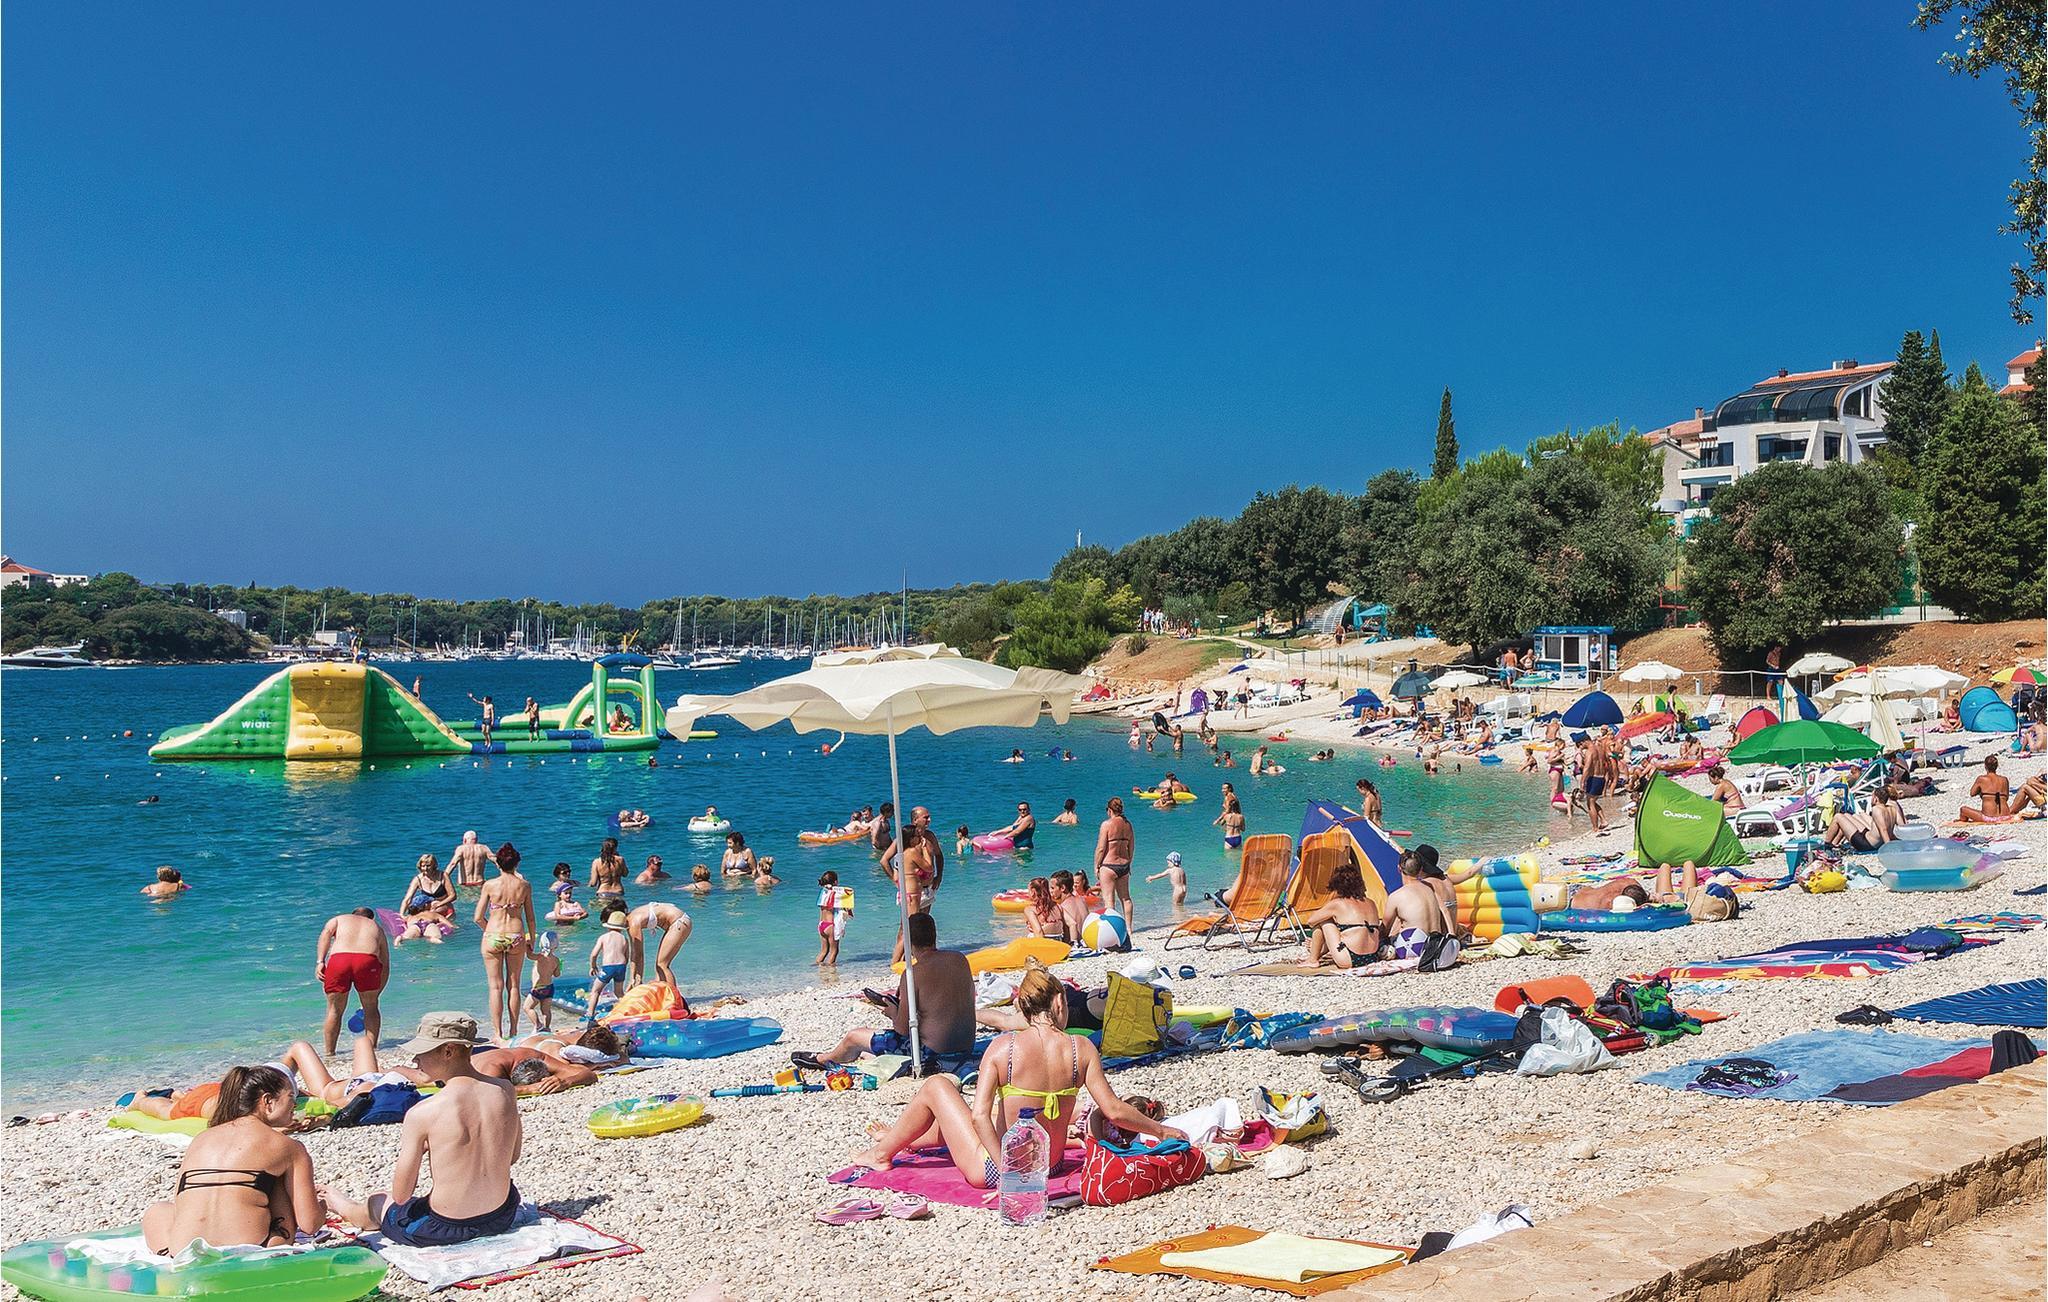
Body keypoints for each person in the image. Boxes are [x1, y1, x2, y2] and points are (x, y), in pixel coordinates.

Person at [845, 966, 1184, 1188]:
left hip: (999, 1170)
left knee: (937, 1086)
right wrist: (1160, 1130)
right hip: (1049, 1167)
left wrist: (1005, 1170)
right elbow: (1114, 1110)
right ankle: (898, 1139)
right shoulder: (1081, 1048)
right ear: (1059, 1002)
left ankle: (882, 1153)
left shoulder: (1002, 1048)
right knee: (966, 1116)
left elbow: (979, 1118)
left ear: (1024, 1007)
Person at [323, 1013, 524, 1248]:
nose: (415, 1059)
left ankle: (341, 1204)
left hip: (445, 1228)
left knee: (379, 1201)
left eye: (422, 1051)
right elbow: (513, 1156)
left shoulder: (423, 1113)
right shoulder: (505, 1089)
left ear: (448, 1051)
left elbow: (401, 1196)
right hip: (500, 1215)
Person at [141, 1065, 321, 1255]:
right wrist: (324, 1205)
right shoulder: (288, 1147)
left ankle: (168, 1252)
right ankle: (273, 1248)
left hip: (185, 1251)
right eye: (291, 1097)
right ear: (267, 1101)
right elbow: (310, 1224)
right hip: (249, 1248)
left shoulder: (201, 1139)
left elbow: (181, 1204)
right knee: (275, 1183)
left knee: (158, 1210)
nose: (295, 1105)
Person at [799, 912, 975, 1070]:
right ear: (934, 935)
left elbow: (903, 1029)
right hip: (966, 1047)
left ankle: (823, 1059)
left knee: (854, 1036)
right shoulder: (959, 959)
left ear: (907, 941)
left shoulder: (912, 974)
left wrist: (892, 1012)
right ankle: (860, 1055)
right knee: (867, 1048)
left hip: (932, 1054)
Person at [475, 844, 534, 1040]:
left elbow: (478, 917)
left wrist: (489, 931)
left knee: (495, 987)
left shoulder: (490, 885)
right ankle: (514, 1031)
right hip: (516, 936)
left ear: (498, 864)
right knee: (514, 986)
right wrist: (531, 940)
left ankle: (498, 1034)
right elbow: (530, 918)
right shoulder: (524, 885)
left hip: (493, 935)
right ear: (516, 864)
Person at [315, 907, 390, 1057]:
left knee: (334, 1010)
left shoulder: (338, 919)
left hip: (339, 960)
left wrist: (320, 961)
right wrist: (377, 993)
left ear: (352, 915)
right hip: (367, 960)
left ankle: (330, 1053)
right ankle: (371, 1050)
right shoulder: (376, 927)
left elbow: (326, 934)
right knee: (371, 1007)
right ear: (371, 918)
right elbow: (385, 964)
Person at [1300, 861, 1384, 968]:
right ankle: (1318, 952)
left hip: (1349, 958)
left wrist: (1318, 941)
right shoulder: (1371, 902)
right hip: (1372, 958)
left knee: (1324, 920)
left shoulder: (1338, 904)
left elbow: (1311, 921)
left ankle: (1313, 960)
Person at [1382, 851, 1454, 963]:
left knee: (1385, 942)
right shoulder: (1430, 887)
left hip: (1414, 947)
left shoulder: (1396, 896)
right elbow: (1444, 910)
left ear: (1399, 868)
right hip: (1435, 943)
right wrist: (1452, 936)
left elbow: (1385, 929)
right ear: (1421, 869)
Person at [472, 1043, 599, 1096]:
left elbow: (589, 1074)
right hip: (475, 1054)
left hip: (497, 1051)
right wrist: (528, 1089)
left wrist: (565, 1082)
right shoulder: (493, 1068)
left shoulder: (538, 1057)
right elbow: (488, 1091)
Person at [626, 900, 693, 988]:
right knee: (659, 972)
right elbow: (634, 953)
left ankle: (674, 995)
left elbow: (639, 955)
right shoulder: (632, 917)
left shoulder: (633, 922)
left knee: (662, 965)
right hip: (681, 921)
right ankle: (663, 993)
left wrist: (638, 979)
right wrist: (632, 979)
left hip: (679, 922)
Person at [1094, 796, 1135, 928]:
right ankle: (1129, 928)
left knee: (1109, 901)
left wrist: (1096, 866)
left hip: (1109, 865)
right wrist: (1129, 863)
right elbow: (1131, 847)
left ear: (1109, 810)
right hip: (1124, 865)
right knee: (1126, 898)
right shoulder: (1128, 825)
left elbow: (1101, 848)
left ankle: (1113, 929)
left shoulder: (1106, 825)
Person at [397, 853, 457, 941]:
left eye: (428, 866)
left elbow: (453, 895)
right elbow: (407, 899)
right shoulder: (418, 879)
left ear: (434, 865)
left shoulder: (443, 876)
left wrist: (439, 904)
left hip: (446, 911)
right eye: (423, 866)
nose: (425, 868)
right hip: (429, 913)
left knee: (447, 933)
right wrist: (401, 914)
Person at [1823, 788, 1903, 851]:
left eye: (1872, 796)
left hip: (1866, 844)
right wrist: (1899, 841)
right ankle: (1834, 844)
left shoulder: (1877, 809)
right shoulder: (1892, 809)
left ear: (1876, 799)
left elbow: (1883, 829)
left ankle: (1826, 845)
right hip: (1871, 839)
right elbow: (1890, 829)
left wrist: (1889, 848)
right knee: (1846, 816)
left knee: (1838, 816)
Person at [585, 914, 632, 1021]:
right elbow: (627, 956)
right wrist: (622, 968)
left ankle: (590, 1014)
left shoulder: (604, 937)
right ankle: (628, 1010)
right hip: (621, 966)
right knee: (619, 992)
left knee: (596, 991)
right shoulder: (624, 939)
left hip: (608, 967)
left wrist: (593, 966)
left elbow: (594, 954)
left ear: (608, 926)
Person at [524, 931, 562, 1031]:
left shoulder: (540, 957)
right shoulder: (556, 960)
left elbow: (529, 956)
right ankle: (547, 1028)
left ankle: (538, 1025)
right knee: (546, 1011)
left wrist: (527, 945)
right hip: (549, 988)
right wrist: (559, 967)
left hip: (538, 988)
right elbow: (557, 975)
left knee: (527, 1007)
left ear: (541, 944)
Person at [815, 872, 852, 966]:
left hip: (821, 925)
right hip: (830, 926)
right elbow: (846, 900)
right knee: (834, 951)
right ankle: (830, 969)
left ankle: (817, 967)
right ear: (835, 882)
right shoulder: (835, 894)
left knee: (824, 951)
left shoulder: (823, 893)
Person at [1961, 754, 2013, 820]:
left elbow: (1972, 793)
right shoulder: (2004, 779)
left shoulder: (1981, 779)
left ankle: (1962, 821)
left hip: (1989, 817)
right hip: (2005, 815)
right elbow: (2006, 798)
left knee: (1963, 809)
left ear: (1985, 766)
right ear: (1997, 766)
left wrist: (1982, 792)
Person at [1047, 869, 1092, 941]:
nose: (1050, 891)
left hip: (1073, 943)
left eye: (1052, 888)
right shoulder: (1082, 900)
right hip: (1087, 941)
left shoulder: (1062, 907)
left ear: (1062, 888)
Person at [591, 836, 630, 912]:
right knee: (618, 914)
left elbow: (593, 883)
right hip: (617, 891)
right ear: (615, 848)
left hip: (603, 892)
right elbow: (625, 874)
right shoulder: (620, 859)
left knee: (605, 915)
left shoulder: (597, 862)